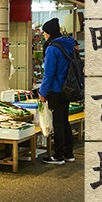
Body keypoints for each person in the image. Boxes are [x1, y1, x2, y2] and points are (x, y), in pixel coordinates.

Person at [38, 18, 76, 165]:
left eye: (44, 33)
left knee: (58, 123)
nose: (43, 36)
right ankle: (69, 154)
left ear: (49, 33)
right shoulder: (69, 44)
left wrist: (42, 92)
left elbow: (49, 73)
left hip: (56, 89)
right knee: (65, 121)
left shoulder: (52, 48)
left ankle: (58, 156)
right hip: (68, 89)